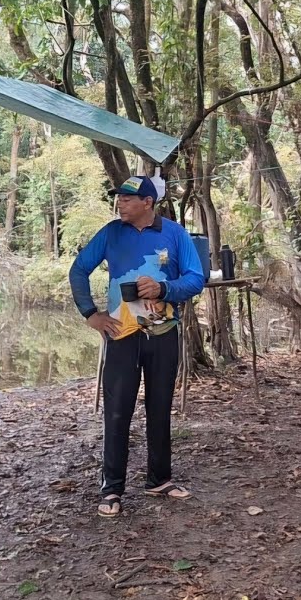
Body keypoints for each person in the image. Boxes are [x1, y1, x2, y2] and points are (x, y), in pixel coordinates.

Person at [68, 175, 206, 518]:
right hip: (121, 334)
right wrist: (91, 314)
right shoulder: (110, 233)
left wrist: (164, 289)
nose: (120, 203)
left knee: (160, 407)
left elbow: (195, 278)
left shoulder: (175, 234)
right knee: (117, 411)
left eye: (128, 199)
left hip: (163, 333)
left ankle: (160, 479)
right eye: (119, 198)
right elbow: (79, 270)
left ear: (148, 202)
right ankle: (112, 489)